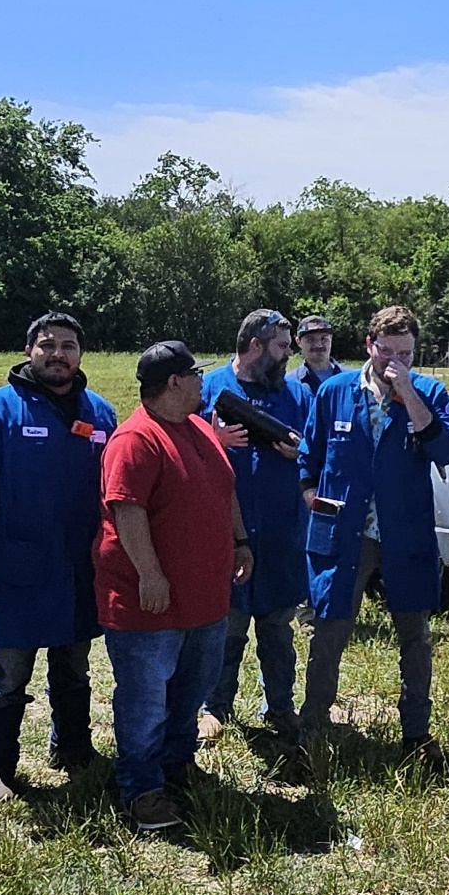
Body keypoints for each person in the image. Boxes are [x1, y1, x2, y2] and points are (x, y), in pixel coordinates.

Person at [0, 313, 117, 803]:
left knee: (74, 667)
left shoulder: (101, 413)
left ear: (81, 355)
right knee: (9, 674)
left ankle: (71, 750)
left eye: (68, 346)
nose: (58, 354)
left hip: (78, 567)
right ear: (29, 351)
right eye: (47, 345)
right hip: (18, 566)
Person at [94, 341, 254, 830]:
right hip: (152, 600)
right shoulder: (136, 439)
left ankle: (177, 765)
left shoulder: (200, 429)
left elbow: (224, 490)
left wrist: (241, 541)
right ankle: (141, 789)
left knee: (189, 691)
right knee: (145, 700)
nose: (204, 384)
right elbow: (126, 510)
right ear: (174, 383)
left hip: (204, 596)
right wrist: (151, 574)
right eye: (196, 376)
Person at [297, 306, 449, 768]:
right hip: (347, 531)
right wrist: (309, 491)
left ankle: (416, 734)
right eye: (386, 351)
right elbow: (310, 451)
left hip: (403, 531)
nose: (394, 361)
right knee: (330, 628)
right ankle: (312, 731)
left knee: (415, 633)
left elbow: (447, 450)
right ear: (369, 345)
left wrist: (409, 394)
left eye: (405, 353)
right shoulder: (334, 392)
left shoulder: (427, 392)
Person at [197, 310, 313, 741]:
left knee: (278, 628)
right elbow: (182, 444)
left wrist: (298, 453)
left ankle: (279, 707)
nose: (289, 353)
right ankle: (214, 707)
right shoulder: (210, 389)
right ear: (255, 346)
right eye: (282, 346)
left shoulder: (296, 395)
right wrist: (215, 440)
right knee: (225, 626)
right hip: (226, 529)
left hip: (283, 530)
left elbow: (317, 450)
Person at [289, 315, 343, 393]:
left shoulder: (352, 378)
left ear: (331, 338)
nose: (318, 345)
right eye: (310, 340)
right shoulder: (289, 382)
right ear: (298, 341)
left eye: (324, 339)